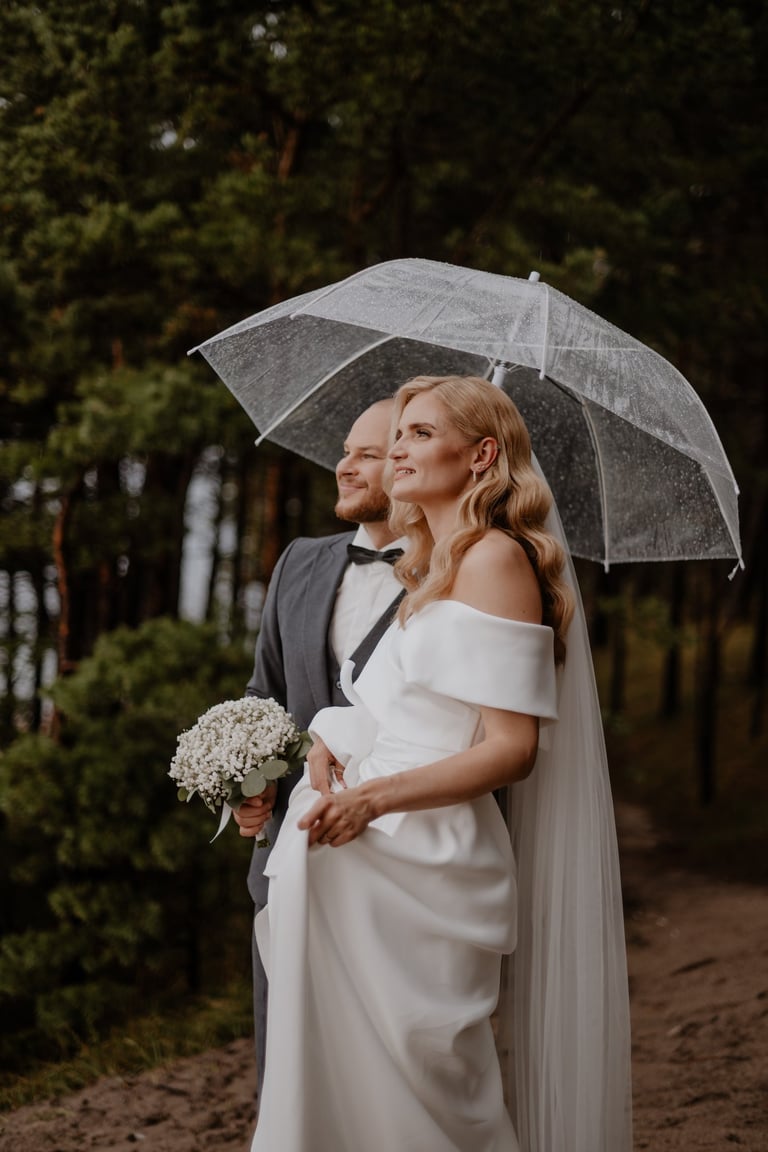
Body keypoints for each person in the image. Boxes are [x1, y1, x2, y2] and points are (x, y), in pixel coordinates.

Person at [246, 375, 633, 1152]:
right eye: (399, 436)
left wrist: (372, 800)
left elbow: (510, 748)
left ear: (481, 455)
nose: (397, 450)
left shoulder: (495, 560)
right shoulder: (432, 567)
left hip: (420, 859)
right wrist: (333, 737)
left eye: (419, 434)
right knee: (338, 1091)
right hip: (353, 856)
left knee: (426, 1098)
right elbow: (412, 707)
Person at [234, 398, 407, 1089]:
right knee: (289, 1067)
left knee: (389, 1070)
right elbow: (265, 696)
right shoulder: (299, 562)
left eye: (369, 454)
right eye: (345, 449)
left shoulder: (463, 575)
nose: (345, 465)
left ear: (410, 464)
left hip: (404, 860)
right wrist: (252, 788)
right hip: (290, 855)